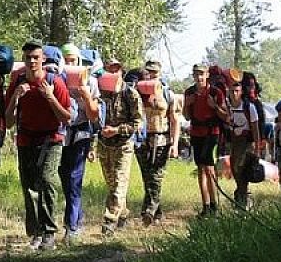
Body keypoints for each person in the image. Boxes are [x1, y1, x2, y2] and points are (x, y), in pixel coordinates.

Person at [6, 41, 73, 250]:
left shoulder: (55, 82)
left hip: (51, 139)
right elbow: (8, 121)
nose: (32, 61)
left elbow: (67, 118)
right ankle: (36, 232)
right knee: (29, 185)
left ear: (43, 59)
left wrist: (50, 97)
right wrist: (16, 97)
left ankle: (49, 233)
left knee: (47, 180)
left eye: (36, 57)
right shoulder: (17, 81)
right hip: (26, 138)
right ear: (23, 59)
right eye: (28, 57)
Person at [95, 58, 143, 237]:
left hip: (123, 145)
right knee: (111, 184)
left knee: (119, 184)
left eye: (115, 69)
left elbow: (138, 123)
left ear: (121, 71)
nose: (112, 72)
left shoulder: (130, 94)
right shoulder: (102, 93)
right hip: (104, 144)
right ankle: (122, 213)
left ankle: (109, 222)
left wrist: (116, 130)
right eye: (109, 69)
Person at [59, 43, 101, 242]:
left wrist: (85, 95)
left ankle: (72, 226)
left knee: (75, 179)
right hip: (60, 134)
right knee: (64, 179)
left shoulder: (91, 82)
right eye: (66, 60)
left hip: (81, 133)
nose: (69, 64)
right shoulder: (56, 78)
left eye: (72, 60)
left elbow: (94, 116)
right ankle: (77, 216)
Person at [134, 61, 178, 225]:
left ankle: (149, 210)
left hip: (161, 138)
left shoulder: (168, 94)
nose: (151, 75)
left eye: (154, 72)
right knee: (147, 177)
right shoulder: (137, 93)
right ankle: (157, 212)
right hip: (143, 138)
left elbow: (174, 120)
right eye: (148, 72)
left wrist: (174, 144)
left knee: (156, 176)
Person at [182, 64, 230, 215]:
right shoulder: (189, 92)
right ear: (193, 76)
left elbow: (226, 116)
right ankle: (206, 206)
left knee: (209, 168)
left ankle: (214, 206)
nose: (199, 77)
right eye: (196, 74)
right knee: (201, 168)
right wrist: (186, 105)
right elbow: (187, 116)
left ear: (207, 75)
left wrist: (214, 106)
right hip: (196, 132)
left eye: (202, 74)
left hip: (212, 132)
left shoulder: (216, 92)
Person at [226, 81, 262, 208]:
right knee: (235, 171)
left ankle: (244, 200)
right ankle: (241, 198)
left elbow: (255, 129)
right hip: (234, 143)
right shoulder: (227, 106)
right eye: (232, 91)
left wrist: (257, 149)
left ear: (241, 92)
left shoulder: (249, 107)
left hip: (246, 143)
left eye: (237, 91)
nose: (234, 94)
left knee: (241, 169)